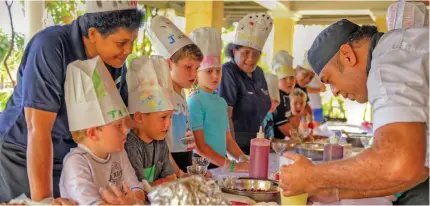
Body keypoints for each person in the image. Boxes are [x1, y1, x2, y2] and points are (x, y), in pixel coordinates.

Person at [0, 1, 144, 203]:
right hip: (23, 154)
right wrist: (45, 201)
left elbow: (119, 120)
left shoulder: (114, 60)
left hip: (71, 158)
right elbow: (37, 129)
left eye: (132, 42)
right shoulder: (50, 45)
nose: (128, 50)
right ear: (93, 34)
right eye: (121, 43)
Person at [279, 18, 429, 205]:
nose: (335, 92)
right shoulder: (396, 51)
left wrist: (313, 175)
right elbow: (418, 169)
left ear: (347, 56)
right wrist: (336, 193)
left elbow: (398, 163)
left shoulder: (388, 64)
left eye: (330, 79)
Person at [59, 56, 145, 205]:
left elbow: (137, 189)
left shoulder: (118, 152)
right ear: (92, 133)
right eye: (118, 125)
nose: (126, 129)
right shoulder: (76, 163)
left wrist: (133, 199)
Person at [147, 16, 203, 175]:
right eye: (188, 67)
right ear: (169, 63)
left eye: (197, 68)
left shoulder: (182, 94)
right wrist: (178, 172)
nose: (194, 74)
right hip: (169, 168)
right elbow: (160, 143)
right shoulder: (160, 96)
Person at [187, 27, 249, 171]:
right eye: (209, 71)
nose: (215, 76)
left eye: (218, 70)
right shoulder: (194, 102)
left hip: (221, 165)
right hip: (203, 168)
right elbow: (199, 146)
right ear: (197, 73)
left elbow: (228, 139)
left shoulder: (221, 102)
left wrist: (242, 157)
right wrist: (231, 165)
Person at [218, 13, 273, 154]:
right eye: (245, 52)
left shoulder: (259, 72)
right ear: (234, 50)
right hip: (236, 147)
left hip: (257, 143)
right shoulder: (228, 71)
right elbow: (226, 115)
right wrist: (235, 153)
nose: (251, 59)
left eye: (256, 54)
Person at [125, 55, 177, 186]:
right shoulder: (130, 144)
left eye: (170, 117)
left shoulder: (160, 142)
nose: (168, 123)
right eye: (163, 117)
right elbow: (140, 188)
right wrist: (163, 183)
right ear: (139, 117)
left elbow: (171, 178)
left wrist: (161, 183)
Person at [271, 50, 296, 139]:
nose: (289, 81)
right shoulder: (277, 96)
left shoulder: (286, 95)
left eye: (291, 77)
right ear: (276, 79)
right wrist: (299, 138)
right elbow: (282, 125)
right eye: (284, 78)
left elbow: (289, 121)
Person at [262, 73, 281, 139]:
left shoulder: (270, 114)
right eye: (269, 100)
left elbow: (270, 138)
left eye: (276, 101)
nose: (272, 104)